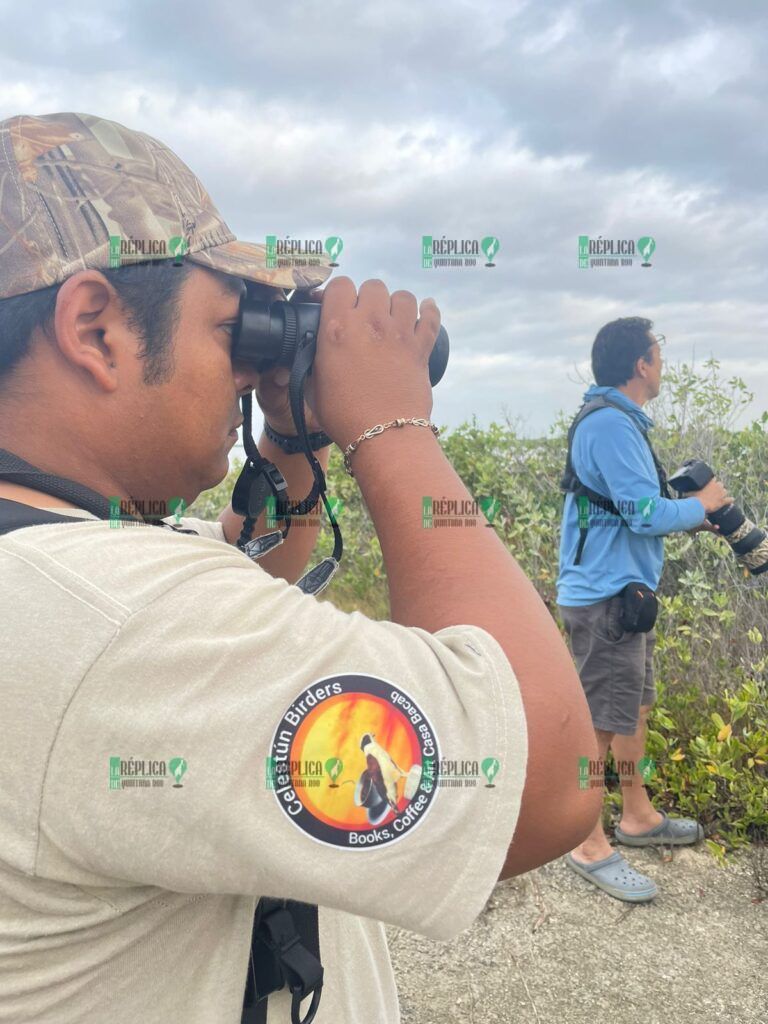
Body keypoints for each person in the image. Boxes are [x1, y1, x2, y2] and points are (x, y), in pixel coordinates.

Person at [0, 112, 602, 1024]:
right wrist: (394, 427)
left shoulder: (58, 569)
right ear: (95, 329)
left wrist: (286, 436)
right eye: (228, 329)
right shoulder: (121, 624)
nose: (246, 368)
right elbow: (548, 783)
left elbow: (250, 567)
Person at [556, 317, 732, 902]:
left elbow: (637, 508)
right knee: (600, 726)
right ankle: (586, 842)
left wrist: (693, 516)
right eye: (659, 354)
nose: (663, 363)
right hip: (607, 598)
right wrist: (699, 504)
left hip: (626, 597)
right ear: (641, 364)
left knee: (631, 712)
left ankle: (637, 817)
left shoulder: (618, 421)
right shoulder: (610, 425)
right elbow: (643, 514)